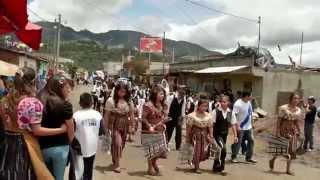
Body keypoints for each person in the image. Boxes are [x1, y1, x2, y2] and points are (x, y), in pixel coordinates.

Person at [0, 67, 68, 180]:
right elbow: (37, 130)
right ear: (33, 82)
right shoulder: (31, 103)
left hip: (7, 143)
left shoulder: (4, 100)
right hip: (24, 144)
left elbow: (4, 123)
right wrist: (62, 130)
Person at [38, 74, 75, 180]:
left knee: (44, 176)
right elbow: (70, 128)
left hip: (42, 146)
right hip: (60, 147)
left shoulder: (39, 100)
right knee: (58, 177)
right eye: (66, 87)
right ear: (60, 87)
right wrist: (71, 142)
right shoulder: (65, 105)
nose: (68, 90)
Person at [104, 80, 134, 173]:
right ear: (116, 90)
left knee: (122, 145)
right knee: (117, 143)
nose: (122, 93)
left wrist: (131, 128)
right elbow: (107, 115)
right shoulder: (110, 101)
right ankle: (117, 164)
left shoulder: (129, 102)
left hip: (124, 126)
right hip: (114, 125)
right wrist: (105, 128)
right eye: (120, 91)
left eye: (124, 91)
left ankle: (115, 157)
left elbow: (131, 115)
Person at [269, 93, 303, 175]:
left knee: (291, 150)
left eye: (297, 99)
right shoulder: (284, 108)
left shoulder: (298, 110)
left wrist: (299, 131)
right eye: (294, 98)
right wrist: (277, 132)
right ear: (290, 99)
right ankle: (273, 159)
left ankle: (288, 170)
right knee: (281, 148)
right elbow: (279, 120)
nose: (296, 100)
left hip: (292, 130)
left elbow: (296, 121)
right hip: (283, 130)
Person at [73, 93, 102, 180]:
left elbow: (71, 131)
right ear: (92, 102)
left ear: (80, 103)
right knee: (89, 169)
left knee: (77, 170)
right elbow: (101, 132)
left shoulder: (76, 115)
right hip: (92, 148)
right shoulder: (98, 115)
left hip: (78, 148)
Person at [141, 84, 169, 176]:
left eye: (163, 94)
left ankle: (154, 163)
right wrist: (149, 126)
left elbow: (164, 117)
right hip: (150, 131)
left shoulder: (164, 105)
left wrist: (165, 120)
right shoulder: (148, 105)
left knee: (160, 151)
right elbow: (143, 118)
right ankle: (150, 168)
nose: (162, 96)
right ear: (154, 94)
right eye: (160, 94)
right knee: (151, 150)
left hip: (160, 130)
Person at [185, 95, 214, 173]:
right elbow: (188, 127)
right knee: (196, 150)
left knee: (204, 151)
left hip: (204, 135)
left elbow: (210, 126)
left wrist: (211, 135)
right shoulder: (192, 115)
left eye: (206, 106)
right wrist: (188, 137)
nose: (204, 108)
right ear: (198, 106)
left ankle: (196, 162)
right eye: (203, 106)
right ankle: (196, 166)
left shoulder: (208, 115)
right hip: (195, 135)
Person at [212, 95, 238, 176]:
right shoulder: (215, 111)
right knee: (223, 149)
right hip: (216, 134)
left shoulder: (231, 112)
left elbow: (233, 124)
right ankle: (221, 168)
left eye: (225, 102)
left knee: (219, 150)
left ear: (228, 103)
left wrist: (235, 136)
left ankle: (215, 166)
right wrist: (210, 135)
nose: (223, 103)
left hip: (224, 135)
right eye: (222, 102)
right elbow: (211, 124)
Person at [231, 91, 257, 163]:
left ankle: (249, 157)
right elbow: (234, 116)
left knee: (251, 141)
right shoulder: (238, 104)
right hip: (240, 127)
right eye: (251, 95)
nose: (252, 97)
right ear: (247, 96)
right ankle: (234, 157)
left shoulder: (249, 103)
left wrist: (252, 124)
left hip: (248, 127)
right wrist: (237, 125)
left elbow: (250, 114)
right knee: (238, 142)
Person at [167, 85, 187, 150]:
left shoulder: (184, 99)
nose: (182, 96)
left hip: (179, 117)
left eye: (183, 94)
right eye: (181, 94)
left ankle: (178, 147)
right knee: (169, 131)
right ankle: (165, 144)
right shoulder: (171, 98)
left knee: (179, 132)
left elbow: (183, 110)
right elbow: (167, 107)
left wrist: (182, 118)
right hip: (171, 116)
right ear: (178, 92)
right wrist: (166, 117)